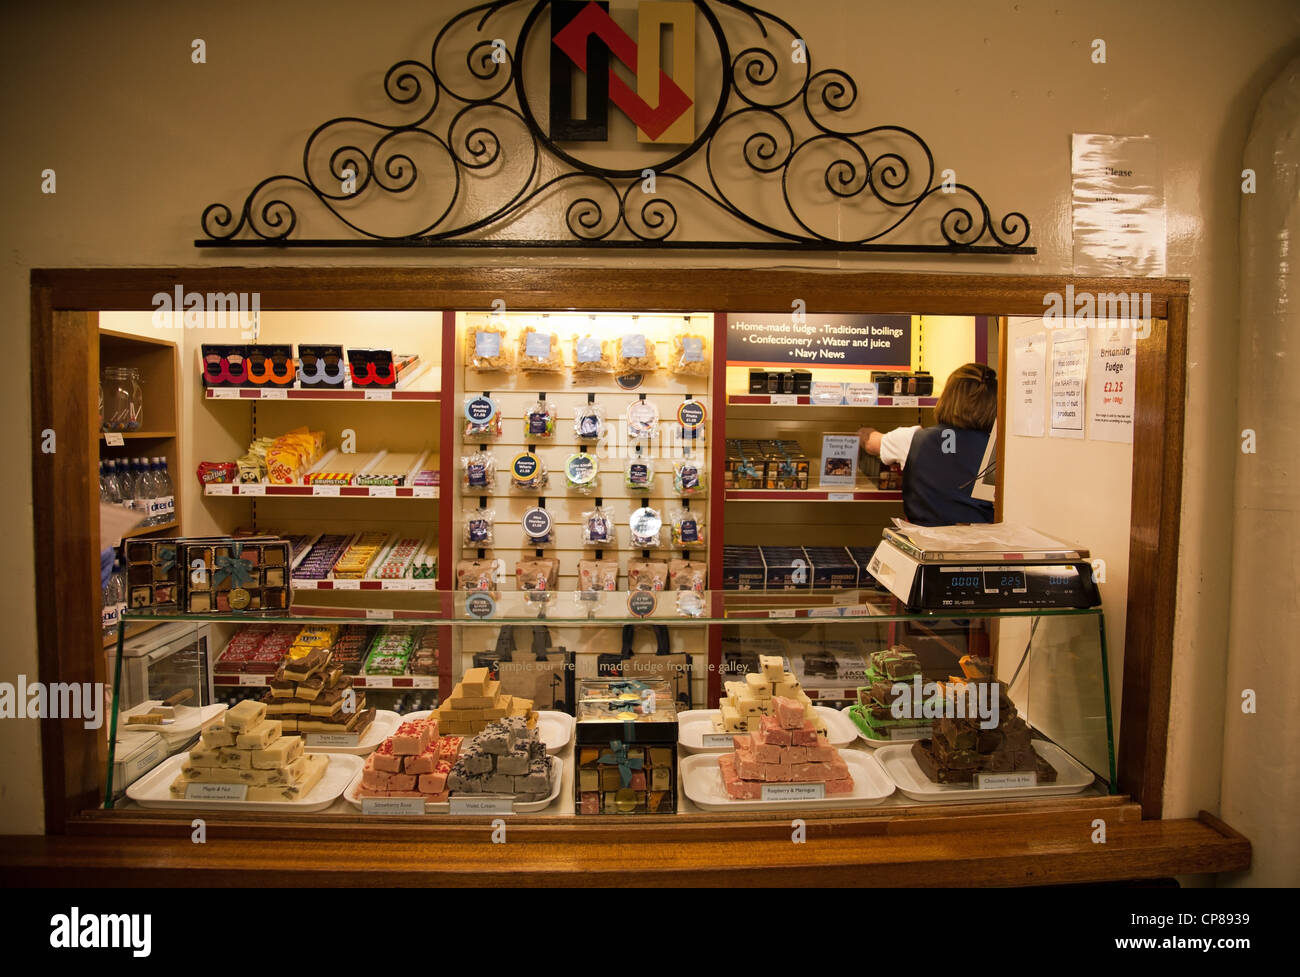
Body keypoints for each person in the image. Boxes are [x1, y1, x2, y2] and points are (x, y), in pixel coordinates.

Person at [858, 362, 997, 527]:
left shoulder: (911, 438)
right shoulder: (998, 449)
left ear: (947, 397)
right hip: (980, 547)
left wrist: (861, 432)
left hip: (924, 545)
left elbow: (870, 443)